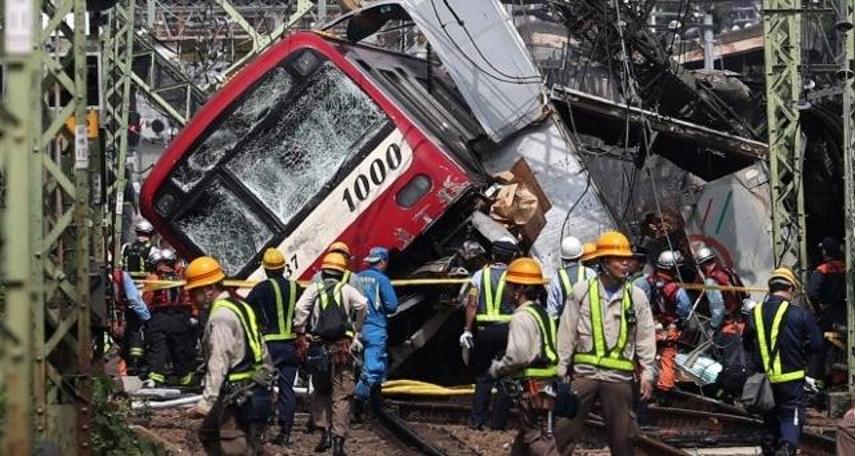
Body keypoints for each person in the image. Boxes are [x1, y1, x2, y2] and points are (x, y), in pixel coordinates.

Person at [554, 231, 657, 456]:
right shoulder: (582, 292)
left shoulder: (636, 296)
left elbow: (645, 336)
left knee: (624, 439)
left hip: (618, 379)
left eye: (627, 259)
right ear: (604, 261)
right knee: (563, 431)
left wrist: (648, 371)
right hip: (584, 375)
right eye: (619, 258)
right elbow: (567, 331)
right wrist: (561, 367)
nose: (626, 263)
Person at [187, 257, 274, 456]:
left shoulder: (220, 317)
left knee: (233, 445)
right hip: (253, 385)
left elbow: (219, 360)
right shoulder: (240, 306)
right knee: (208, 433)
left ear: (209, 290)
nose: (192, 298)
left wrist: (206, 402)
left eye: (195, 292)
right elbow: (261, 345)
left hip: (236, 392)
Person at [294, 252, 368, 456]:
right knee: (342, 396)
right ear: (342, 270)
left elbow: (300, 309)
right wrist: (357, 328)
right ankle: (338, 443)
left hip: (319, 348)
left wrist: (301, 331)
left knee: (321, 392)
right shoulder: (346, 289)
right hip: (342, 348)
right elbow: (363, 304)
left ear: (323, 271)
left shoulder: (314, 289)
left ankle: (324, 433)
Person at [743, 267, 823, 456]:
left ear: (770, 289)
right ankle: (786, 448)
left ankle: (769, 449)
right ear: (790, 288)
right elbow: (817, 345)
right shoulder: (799, 314)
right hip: (791, 380)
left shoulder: (755, 313)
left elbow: (746, 343)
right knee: (791, 417)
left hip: (765, 380)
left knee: (769, 418)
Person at [487, 257, 559, 455]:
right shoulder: (542, 314)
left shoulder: (521, 317)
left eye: (510, 286)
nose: (508, 291)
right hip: (548, 382)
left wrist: (497, 369)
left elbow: (517, 357)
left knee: (535, 437)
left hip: (533, 386)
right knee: (527, 436)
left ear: (519, 289)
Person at [245, 248, 304, 446]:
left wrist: (258, 323)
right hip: (290, 345)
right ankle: (285, 432)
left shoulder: (261, 288)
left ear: (266, 269)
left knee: (262, 386)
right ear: (283, 267)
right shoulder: (296, 287)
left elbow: (246, 308)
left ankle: (260, 430)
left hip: (269, 344)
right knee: (287, 389)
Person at [459, 238, 519, 430]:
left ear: (493, 255)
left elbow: (472, 304)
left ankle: (477, 421)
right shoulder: (514, 276)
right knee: (506, 377)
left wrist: (467, 330)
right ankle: (498, 424)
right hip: (508, 331)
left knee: (483, 377)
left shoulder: (479, 276)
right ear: (512, 257)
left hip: (484, 331)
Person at [143, 248, 196, 386]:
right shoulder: (179, 278)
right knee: (179, 349)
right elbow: (186, 298)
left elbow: (147, 299)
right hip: (178, 318)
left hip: (159, 317)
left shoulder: (153, 278)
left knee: (158, 348)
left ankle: (156, 377)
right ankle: (185, 378)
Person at [355, 247, 399, 407]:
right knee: (373, 369)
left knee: (358, 368)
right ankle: (357, 403)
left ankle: (371, 400)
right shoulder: (382, 280)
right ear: (382, 261)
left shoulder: (356, 278)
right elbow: (392, 305)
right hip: (375, 329)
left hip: (356, 330)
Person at [646, 250, 692, 393]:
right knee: (667, 355)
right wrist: (681, 321)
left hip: (652, 323)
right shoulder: (674, 288)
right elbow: (685, 307)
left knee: (646, 354)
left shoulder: (649, 281)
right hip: (668, 326)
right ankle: (664, 390)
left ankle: (643, 382)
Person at [807, 237, 846, 388]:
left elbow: (811, 292)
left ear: (825, 252)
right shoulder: (846, 267)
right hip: (844, 313)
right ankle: (840, 376)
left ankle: (814, 378)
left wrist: (818, 310)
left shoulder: (822, 270)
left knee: (817, 342)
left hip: (828, 313)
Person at [695, 245, 747, 333]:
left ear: (702, 265)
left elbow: (718, 308)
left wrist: (713, 327)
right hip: (741, 315)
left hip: (729, 322)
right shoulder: (728, 270)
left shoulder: (710, 281)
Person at [111, 267, 151, 376]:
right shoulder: (121, 276)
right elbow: (133, 298)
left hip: (113, 313)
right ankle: (134, 364)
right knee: (135, 333)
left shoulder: (113, 276)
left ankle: (126, 364)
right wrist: (146, 316)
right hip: (123, 313)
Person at [545, 236, 596, 321]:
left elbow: (552, 313)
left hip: (568, 328)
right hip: (589, 325)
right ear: (580, 255)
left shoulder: (556, 279)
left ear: (563, 258)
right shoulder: (590, 273)